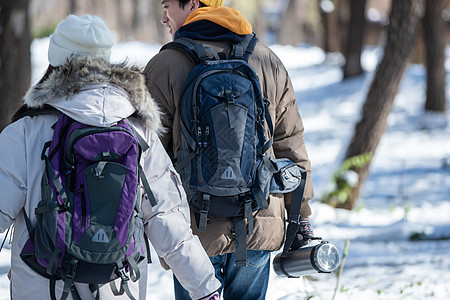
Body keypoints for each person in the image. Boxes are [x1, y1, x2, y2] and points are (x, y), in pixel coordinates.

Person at [0, 14, 220, 300]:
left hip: (43, 285)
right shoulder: (138, 130)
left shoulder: (26, 131)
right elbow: (167, 219)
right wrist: (205, 288)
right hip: (118, 285)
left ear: (56, 61)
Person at [144, 0, 315, 299]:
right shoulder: (266, 60)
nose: (163, 17)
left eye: (168, 5)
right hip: (258, 221)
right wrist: (301, 217)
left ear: (194, 4)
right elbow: (290, 144)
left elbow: (148, 157)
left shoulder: (165, 66)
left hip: (192, 233)